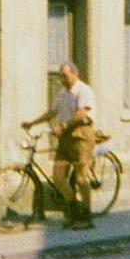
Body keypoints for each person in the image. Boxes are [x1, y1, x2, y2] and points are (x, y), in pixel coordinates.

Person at [21, 61, 98, 229]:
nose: (62, 79)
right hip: (65, 139)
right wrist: (32, 123)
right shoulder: (62, 93)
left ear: (75, 74)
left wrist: (62, 126)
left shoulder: (84, 91)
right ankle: (73, 210)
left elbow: (81, 114)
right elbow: (52, 112)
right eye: (60, 76)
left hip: (81, 136)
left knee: (80, 177)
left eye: (65, 75)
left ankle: (86, 217)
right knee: (58, 177)